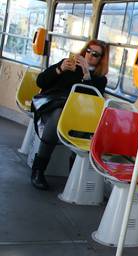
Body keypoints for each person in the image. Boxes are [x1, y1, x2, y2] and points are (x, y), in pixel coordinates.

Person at [30, 39, 109, 190]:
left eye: (96, 54)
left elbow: (93, 99)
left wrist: (86, 75)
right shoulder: (67, 64)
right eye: (88, 51)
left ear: (101, 59)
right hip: (52, 108)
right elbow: (41, 82)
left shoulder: (99, 79)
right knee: (58, 115)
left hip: (78, 117)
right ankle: (38, 169)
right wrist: (59, 69)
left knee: (87, 127)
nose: (90, 56)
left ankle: (74, 172)